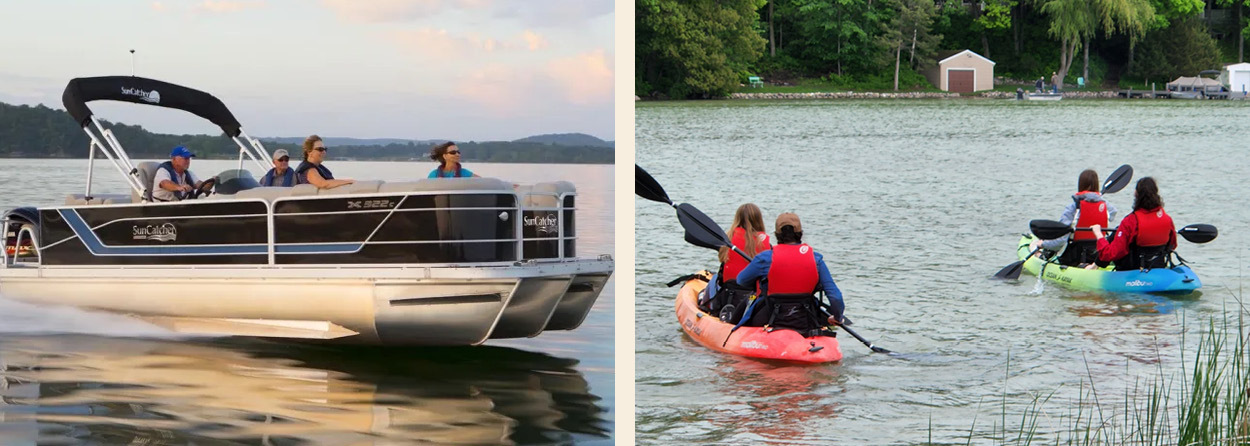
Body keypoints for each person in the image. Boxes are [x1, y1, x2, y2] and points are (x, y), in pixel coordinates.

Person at [736, 213, 845, 335]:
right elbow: (835, 296)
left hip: (769, 318)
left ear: (777, 234)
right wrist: (837, 317)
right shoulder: (816, 260)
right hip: (805, 320)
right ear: (800, 233)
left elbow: (741, 280)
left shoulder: (764, 259)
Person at [1030, 169, 1118, 269]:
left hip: (1073, 257)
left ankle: (1038, 255)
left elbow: (1060, 241)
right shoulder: (1106, 206)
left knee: (1034, 247)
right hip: (1096, 255)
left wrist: (1043, 244)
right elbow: (1113, 213)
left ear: (1080, 185)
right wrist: (1096, 199)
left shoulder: (1073, 208)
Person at [1091, 177, 1177, 271]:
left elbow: (1111, 254)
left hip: (1134, 270)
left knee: (1117, 232)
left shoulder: (1130, 221)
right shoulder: (1167, 219)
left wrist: (1099, 234)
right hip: (1158, 267)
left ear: (1136, 194)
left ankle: (1094, 265)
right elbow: (1172, 245)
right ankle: (1095, 265)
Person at [704, 203, 772, 322]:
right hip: (753, 297)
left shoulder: (727, 239)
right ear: (759, 220)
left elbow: (722, 260)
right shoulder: (765, 245)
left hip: (729, 296)